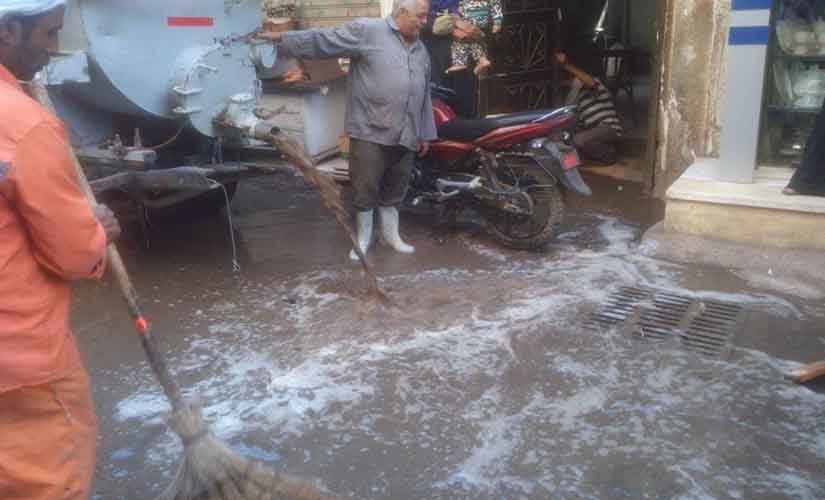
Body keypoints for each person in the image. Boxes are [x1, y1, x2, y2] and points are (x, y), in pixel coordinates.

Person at [0, 1, 121, 498]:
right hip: (20, 359)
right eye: (48, 34)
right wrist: (97, 230)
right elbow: (71, 254)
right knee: (47, 482)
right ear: (10, 30)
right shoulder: (23, 124)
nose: (52, 49)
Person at [261, 0, 437, 260]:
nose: (425, 22)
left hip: (407, 130)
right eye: (420, 16)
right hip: (370, 129)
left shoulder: (420, 48)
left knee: (396, 187)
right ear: (402, 12)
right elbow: (324, 39)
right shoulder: (368, 31)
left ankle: (391, 236)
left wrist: (425, 132)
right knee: (365, 188)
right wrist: (281, 38)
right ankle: (363, 239)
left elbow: (424, 94)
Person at [556, 51, 623, 165]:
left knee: (579, 140)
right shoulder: (576, 97)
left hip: (608, 128)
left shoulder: (593, 84)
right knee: (571, 141)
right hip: (595, 132)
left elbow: (591, 82)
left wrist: (566, 65)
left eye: (567, 78)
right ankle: (600, 152)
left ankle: (609, 155)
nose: (564, 82)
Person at [445, 0, 502, 75]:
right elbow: (496, 5)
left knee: (459, 42)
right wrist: (497, 22)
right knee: (475, 41)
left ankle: (460, 62)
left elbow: (495, 5)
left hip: (469, 21)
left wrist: (497, 22)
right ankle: (482, 60)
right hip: (475, 21)